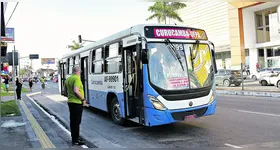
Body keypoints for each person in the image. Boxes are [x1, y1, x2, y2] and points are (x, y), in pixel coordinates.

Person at [64, 66, 88, 146]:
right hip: (77, 103)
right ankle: (76, 140)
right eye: (80, 72)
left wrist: (70, 97)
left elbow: (65, 91)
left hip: (70, 102)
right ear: (78, 71)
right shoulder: (77, 78)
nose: (80, 73)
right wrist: (83, 99)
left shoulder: (68, 79)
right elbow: (76, 91)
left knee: (73, 121)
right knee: (77, 122)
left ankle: (74, 138)